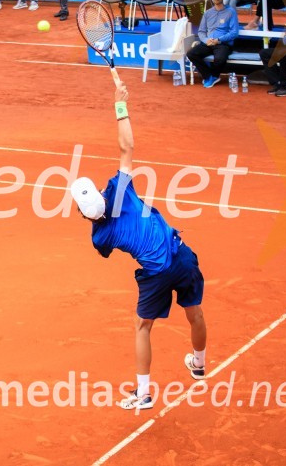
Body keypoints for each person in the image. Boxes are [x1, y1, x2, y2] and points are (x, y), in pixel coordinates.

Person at [70, 83, 208, 411]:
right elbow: (126, 146)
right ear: (99, 194)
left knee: (142, 326)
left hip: (156, 272)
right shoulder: (118, 190)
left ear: (81, 213)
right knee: (195, 313)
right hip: (182, 254)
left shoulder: (99, 238)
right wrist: (120, 105)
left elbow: (105, 235)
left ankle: (144, 394)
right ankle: (199, 363)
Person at [185, 0, 239, 88]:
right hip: (208, 43)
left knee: (220, 59)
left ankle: (213, 76)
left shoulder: (230, 12)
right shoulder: (208, 13)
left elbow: (234, 32)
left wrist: (219, 40)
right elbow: (201, 31)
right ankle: (209, 76)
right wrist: (206, 40)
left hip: (223, 43)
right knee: (191, 54)